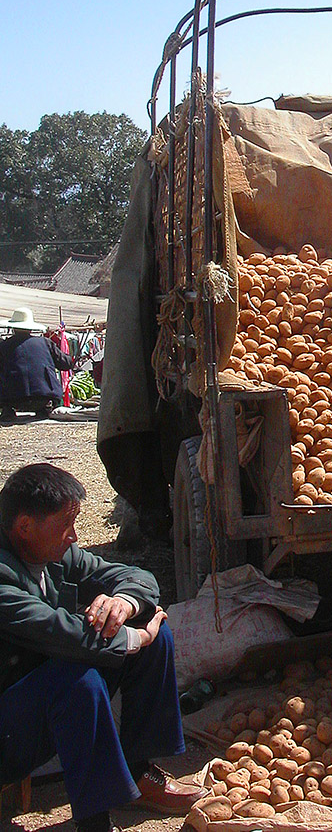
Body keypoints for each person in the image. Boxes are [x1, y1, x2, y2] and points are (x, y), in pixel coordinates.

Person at [0, 463, 203, 832]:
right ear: (25, 526)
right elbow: (59, 631)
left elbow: (133, 576)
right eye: (66, 526)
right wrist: (132, 637)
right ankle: (94, 821)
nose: (75, 537)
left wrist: (125, 603)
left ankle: (139, 774)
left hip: (38, 699)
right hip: (8, 728)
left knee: (151, 629)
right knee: (79, 679)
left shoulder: (51, 551)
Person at [0, 307, 72, 420]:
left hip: (13, 399)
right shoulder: (46, 343)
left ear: (13, 328)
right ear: (30, 329)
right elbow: (66, 364)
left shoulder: (4, 346)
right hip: (43, 398)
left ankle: (7, 410)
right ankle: (43, 409)